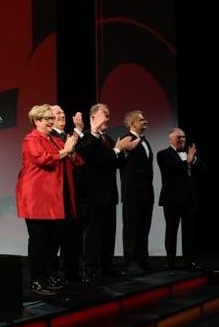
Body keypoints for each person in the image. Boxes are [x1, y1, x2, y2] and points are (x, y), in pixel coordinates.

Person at [15, 104, 82, 296]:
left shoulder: (54, 139)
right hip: (37, 197)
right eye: (47, 119)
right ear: (36, 121)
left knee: (52, 241)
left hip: (53, 199)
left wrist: (71, 150)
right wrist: (66, 150)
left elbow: (76, 160)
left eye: (52, 119)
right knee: (39, 240)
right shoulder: (31, 138)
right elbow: (42, 159)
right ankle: (36, 280)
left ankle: (47, 275)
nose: (51, 122)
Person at [74, 104, 138, 278]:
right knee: (93, 233)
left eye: (109, 115)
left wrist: (124, 152)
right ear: (93, 118)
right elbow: (93, 158)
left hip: (109, 195)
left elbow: (116, 163)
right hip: (92, 195)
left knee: (108, 232)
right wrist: (117, 150)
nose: (108, 119)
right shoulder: (85, 138)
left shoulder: (108, 139)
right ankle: (91, 267)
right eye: (105, 115)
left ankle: (106, 265)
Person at [157, 127, 206, 271]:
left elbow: (204, 170)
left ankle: (189, 261)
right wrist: (187, 162)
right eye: (179, 137)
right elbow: (169, 171)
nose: (182, 140)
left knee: (189, 231)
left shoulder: (189, 154)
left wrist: (194, 160)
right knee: (171, 231)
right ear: (170, 139)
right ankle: (170, 261)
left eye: (183, 137)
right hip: (172, 199)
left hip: (189, 200)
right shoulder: (163, 154)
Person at [50, 105, 83, 281]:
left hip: (70, 190)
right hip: (57, 191)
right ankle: (52, 273)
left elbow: (77, 160)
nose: (62, 115)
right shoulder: (49, 136)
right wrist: (69, 147)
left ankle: (71, 271)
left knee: (71, 234)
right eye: (57, 113)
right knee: (55, 236)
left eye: (63, 112)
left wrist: (72, 145)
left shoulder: (67, 136)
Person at [119, 110, 154, 273]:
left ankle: (142, 260)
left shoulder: (144, 140)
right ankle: (130, 262)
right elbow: (122, 164)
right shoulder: (127, 140)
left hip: (147, 193)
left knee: (143, 228)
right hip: (132, 193)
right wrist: (124, 151)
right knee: (131, 228)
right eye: (141, 119)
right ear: (132, 123)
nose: (145, 121)